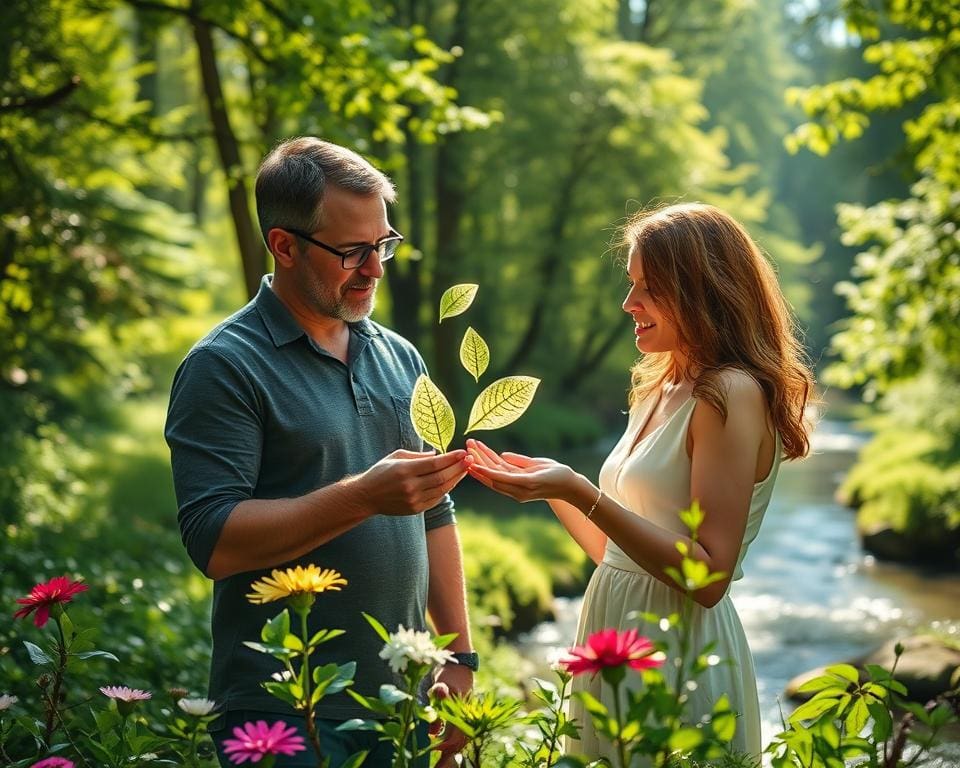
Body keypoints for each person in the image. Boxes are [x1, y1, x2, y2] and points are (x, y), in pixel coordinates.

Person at [164, 137, 476, 768]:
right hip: (282, 712)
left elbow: (434, 515)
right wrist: (362, 496)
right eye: (353, 252)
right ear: (284, 245)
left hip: (405, 705)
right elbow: (213, 540)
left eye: (384, 244)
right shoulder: (223, 366)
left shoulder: (400, 356)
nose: (376, 268)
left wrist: (460, 662)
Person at [466, 203, 813, 763]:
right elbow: (614, 553)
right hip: (612, 632)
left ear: (700, 290)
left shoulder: (729, 393)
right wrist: (555, 489)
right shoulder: (657, 384)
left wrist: (581, 490)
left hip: (679, 651)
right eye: (631, 285)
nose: (629, 304)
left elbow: (707, 577)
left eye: (647, 288)